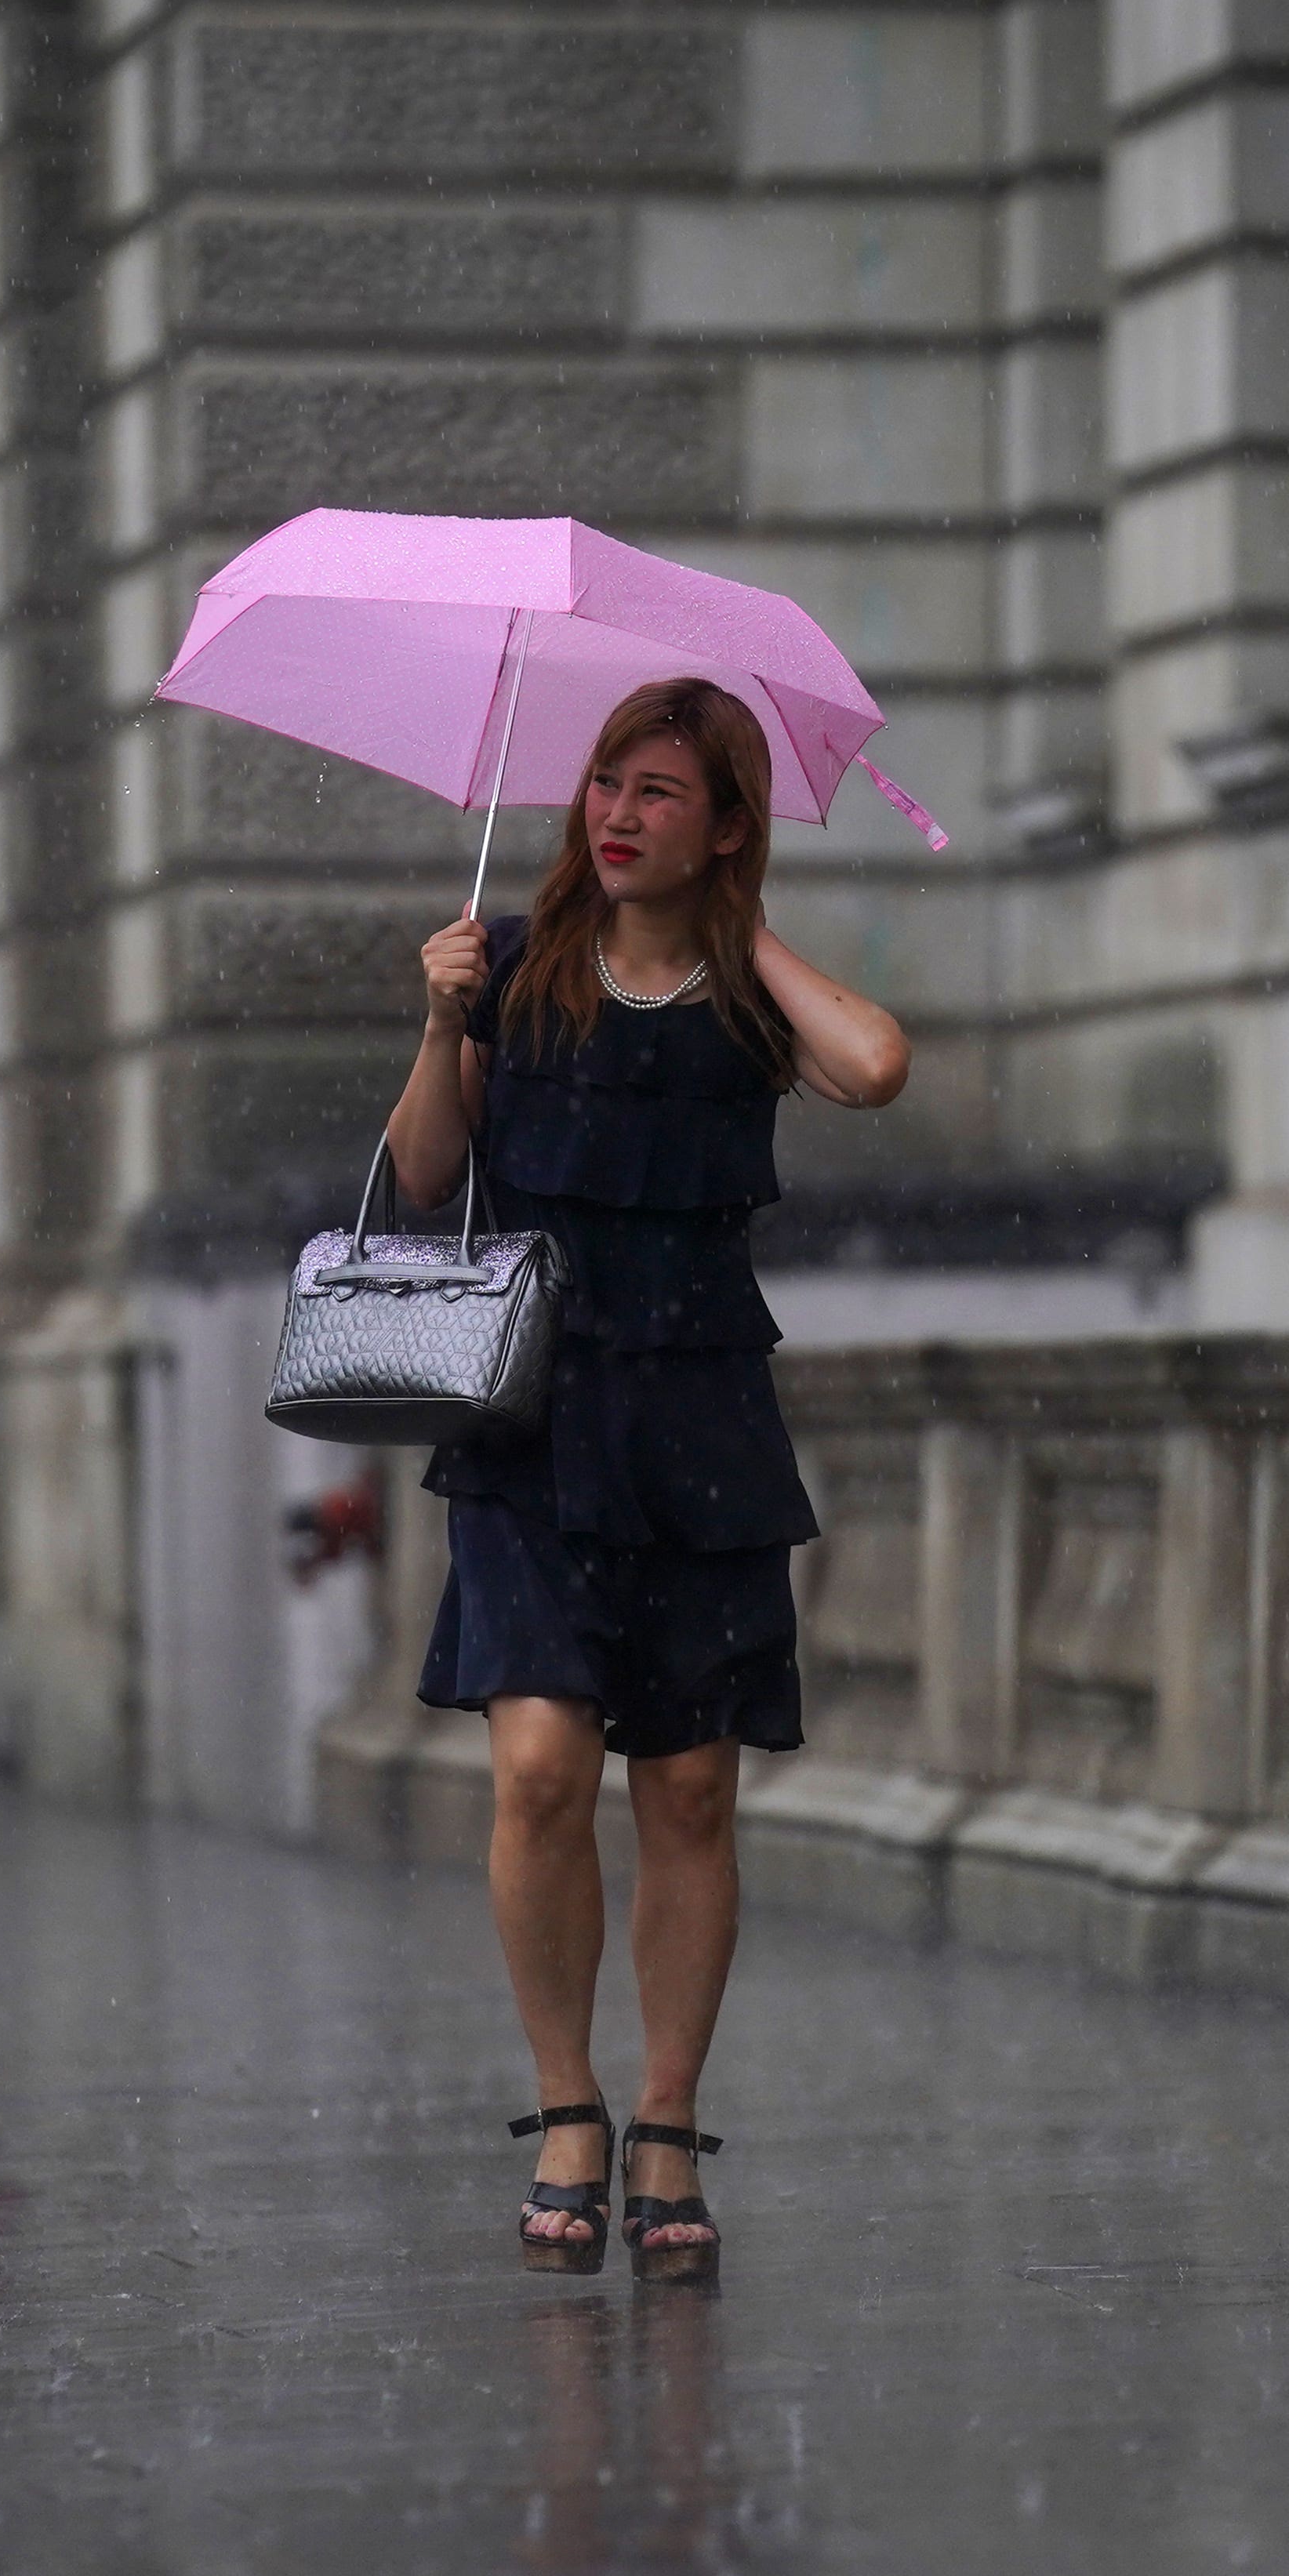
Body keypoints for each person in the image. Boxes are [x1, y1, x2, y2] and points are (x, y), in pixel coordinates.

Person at [383, 678, 910, 2279]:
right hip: (533, 1420)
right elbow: (417, 1179)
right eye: (604, 784)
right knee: (541, 1763)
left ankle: (668, 2117)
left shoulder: (748, 1004)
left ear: (725, 824)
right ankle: (567, 2103)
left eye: (659, 793)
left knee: (686, 1784)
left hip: (700, 1427)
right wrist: (435, 1018)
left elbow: (874, 1063)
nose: (614, 813)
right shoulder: (517, 981)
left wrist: (732, 926)